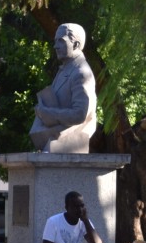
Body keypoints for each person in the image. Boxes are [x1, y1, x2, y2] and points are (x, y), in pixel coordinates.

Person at [30, 23, 97, 153]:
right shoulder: (65, 70)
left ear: (76, 45)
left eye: (61, 41)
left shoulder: (81, 73)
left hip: (71, 140)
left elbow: (80, 114)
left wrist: (48, 113)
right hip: (53, 143)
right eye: (55, 41)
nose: (55, 46)